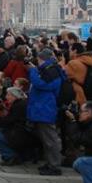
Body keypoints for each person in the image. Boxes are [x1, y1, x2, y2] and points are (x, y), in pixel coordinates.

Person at [27, 48, 64, 176]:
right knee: (46, 138)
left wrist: (32, 71)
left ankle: (54, 165)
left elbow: (41, 84)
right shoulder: (51, 69)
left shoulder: (51, 71)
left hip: (45, 108)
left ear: (41, 58)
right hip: (43, 107)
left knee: (50, 139)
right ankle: (50, 163)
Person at [0, 87, 30, 166]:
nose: (6, 97)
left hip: (18, 135)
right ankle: (14, 153)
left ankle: (10, 155)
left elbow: (5, 123)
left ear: (14, 96)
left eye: (8, 95)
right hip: (23, 133)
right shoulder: (21, 103)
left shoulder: (18, 106)